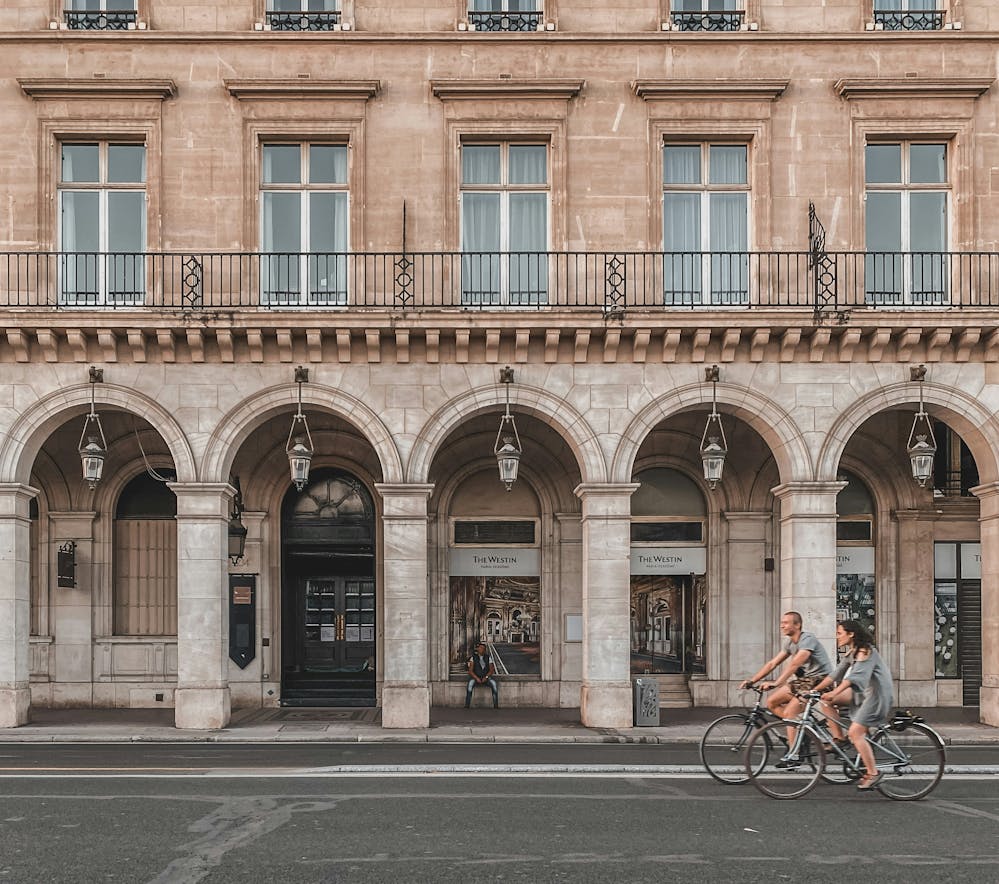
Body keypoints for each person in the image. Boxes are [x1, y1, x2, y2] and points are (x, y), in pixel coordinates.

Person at [738, 610, 834, 766]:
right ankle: (799, 731)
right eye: (782, 622)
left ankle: (794, 754)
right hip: (805, 681)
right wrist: (752, 680)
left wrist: (777, 683)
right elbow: (772, 663)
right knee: (772, 702)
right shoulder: (789, 643)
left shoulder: (807, 639)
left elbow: (795, 663)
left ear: (797, 625)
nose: (782, 625)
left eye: (786, 623)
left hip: (820, 681)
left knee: (790, 712)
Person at [814, 620, 894, 791]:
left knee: (855, 732)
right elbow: (833, 676)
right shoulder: (853, 652)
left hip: (876, 696)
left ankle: (873, 774)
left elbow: (855, 679)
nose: (837, 637)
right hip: (863, 694)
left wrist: (834, 692)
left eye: (839, 633)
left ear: (851, 634)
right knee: (825, 700)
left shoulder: (865, 651)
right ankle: (839, 739)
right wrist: (813, 690)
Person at [465, 641, 499, 709]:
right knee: (470, 685)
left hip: (486, 677)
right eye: (480, 648)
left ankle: (496, 705)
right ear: (478, 649)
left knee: (494, 684)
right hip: (476, 677)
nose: (482, 650)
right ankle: (467, 705)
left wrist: (486, 677)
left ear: (485, 650)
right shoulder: (473, 658)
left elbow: (491, 670)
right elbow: (470, 671)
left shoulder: (488, 658)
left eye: (483, 648)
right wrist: (476, 678)